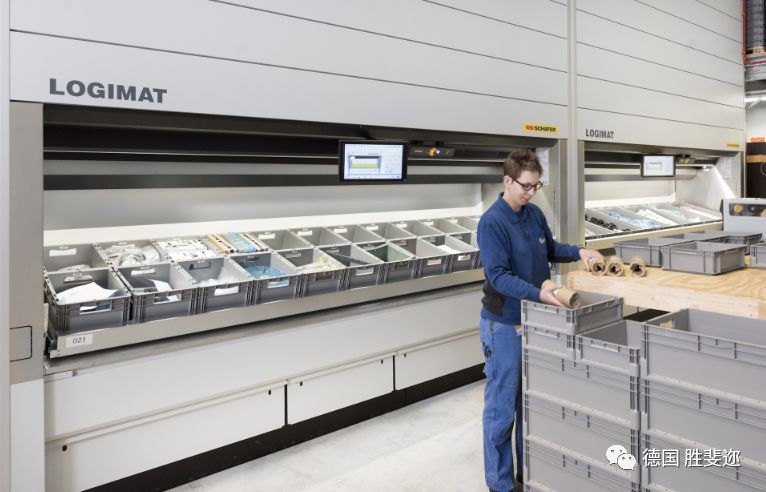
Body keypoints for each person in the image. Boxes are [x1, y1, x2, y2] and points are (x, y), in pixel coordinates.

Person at [476, 149, 603, 492]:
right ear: (508, 180)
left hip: (535, 320)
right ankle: (500, 484)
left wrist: (579, 251)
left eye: (536, 186)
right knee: (502, 408)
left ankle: (526, 475)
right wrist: (540, 293)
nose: (531, 193)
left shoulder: (533, 214)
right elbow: (499, 277)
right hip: (504, 325)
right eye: (525, 186)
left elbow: (551, 249)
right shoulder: (491, 223)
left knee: (529, 404)